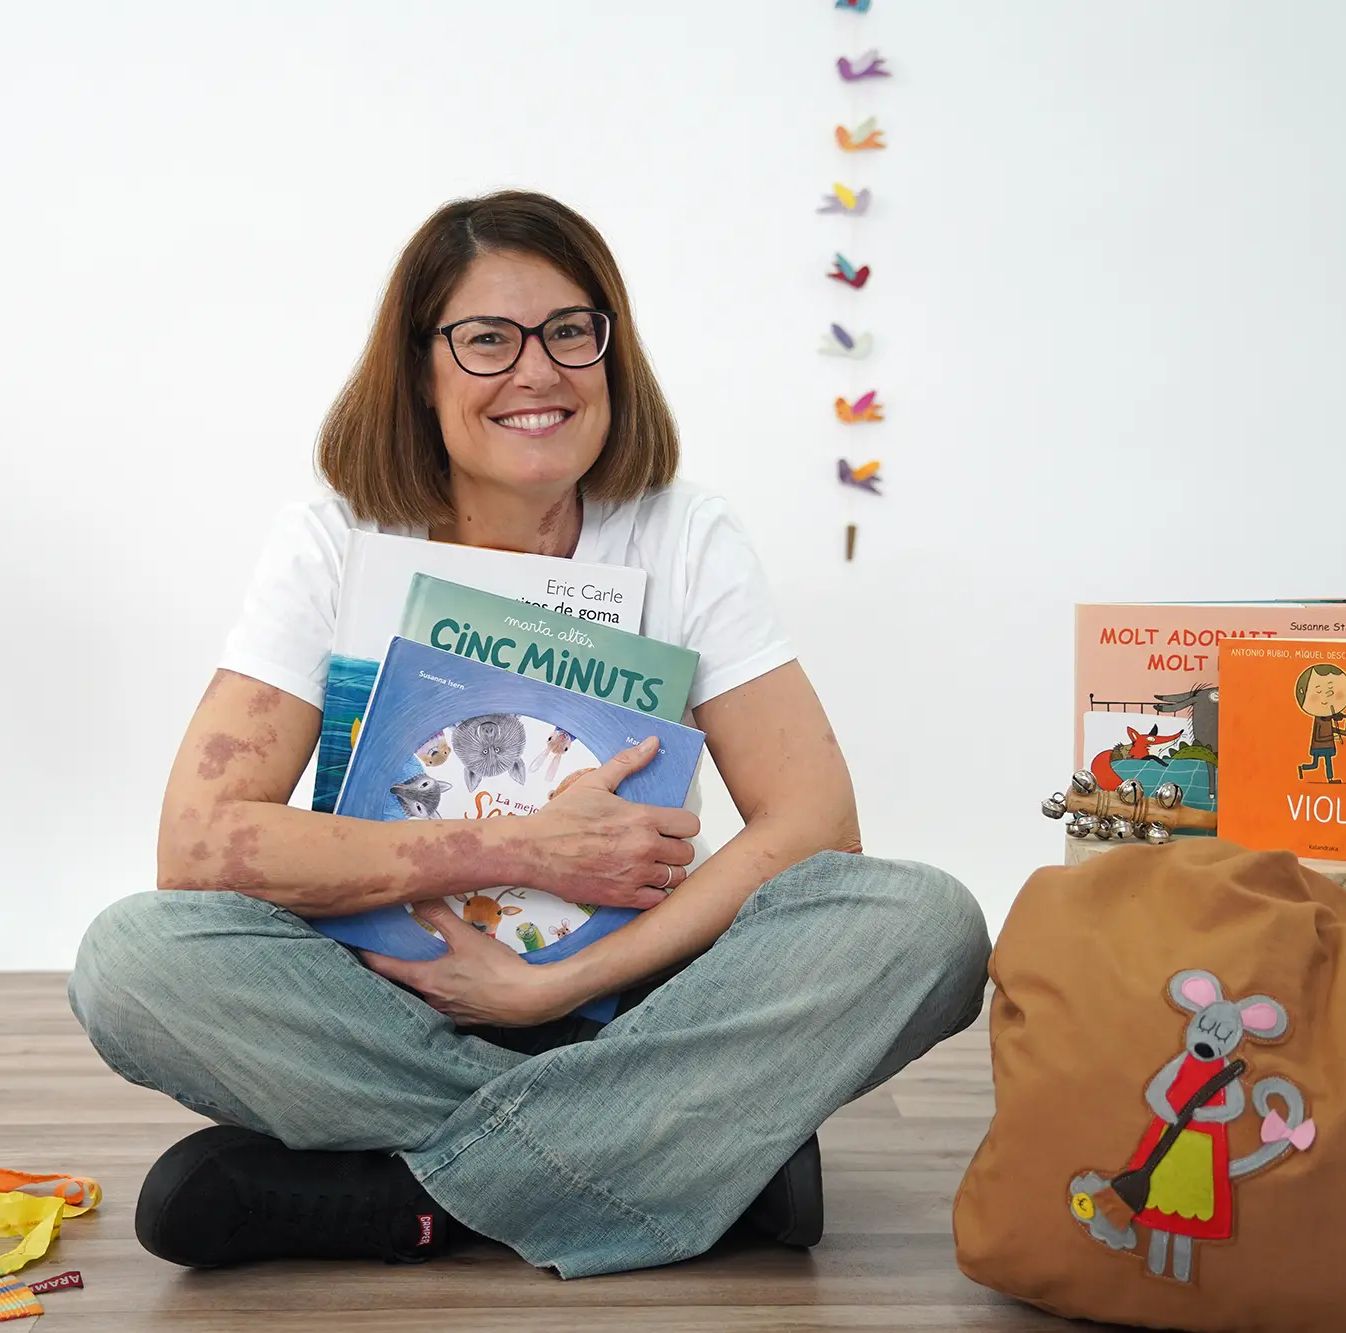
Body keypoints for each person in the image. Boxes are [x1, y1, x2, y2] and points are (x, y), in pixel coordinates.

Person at [66, 189, 992, 1280]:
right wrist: (520, 848)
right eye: (486, 340)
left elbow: (815, 824)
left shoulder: (681, 533)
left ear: (610, 350)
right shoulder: (332, 539)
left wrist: (553, 985)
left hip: (640, 998)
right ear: (420, 370)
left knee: (927, 925)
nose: (537, 371)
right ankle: (674, 1150)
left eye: (568, 331)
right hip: (382, 997)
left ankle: (408, 1199)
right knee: (132, 962)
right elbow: (199, 844)